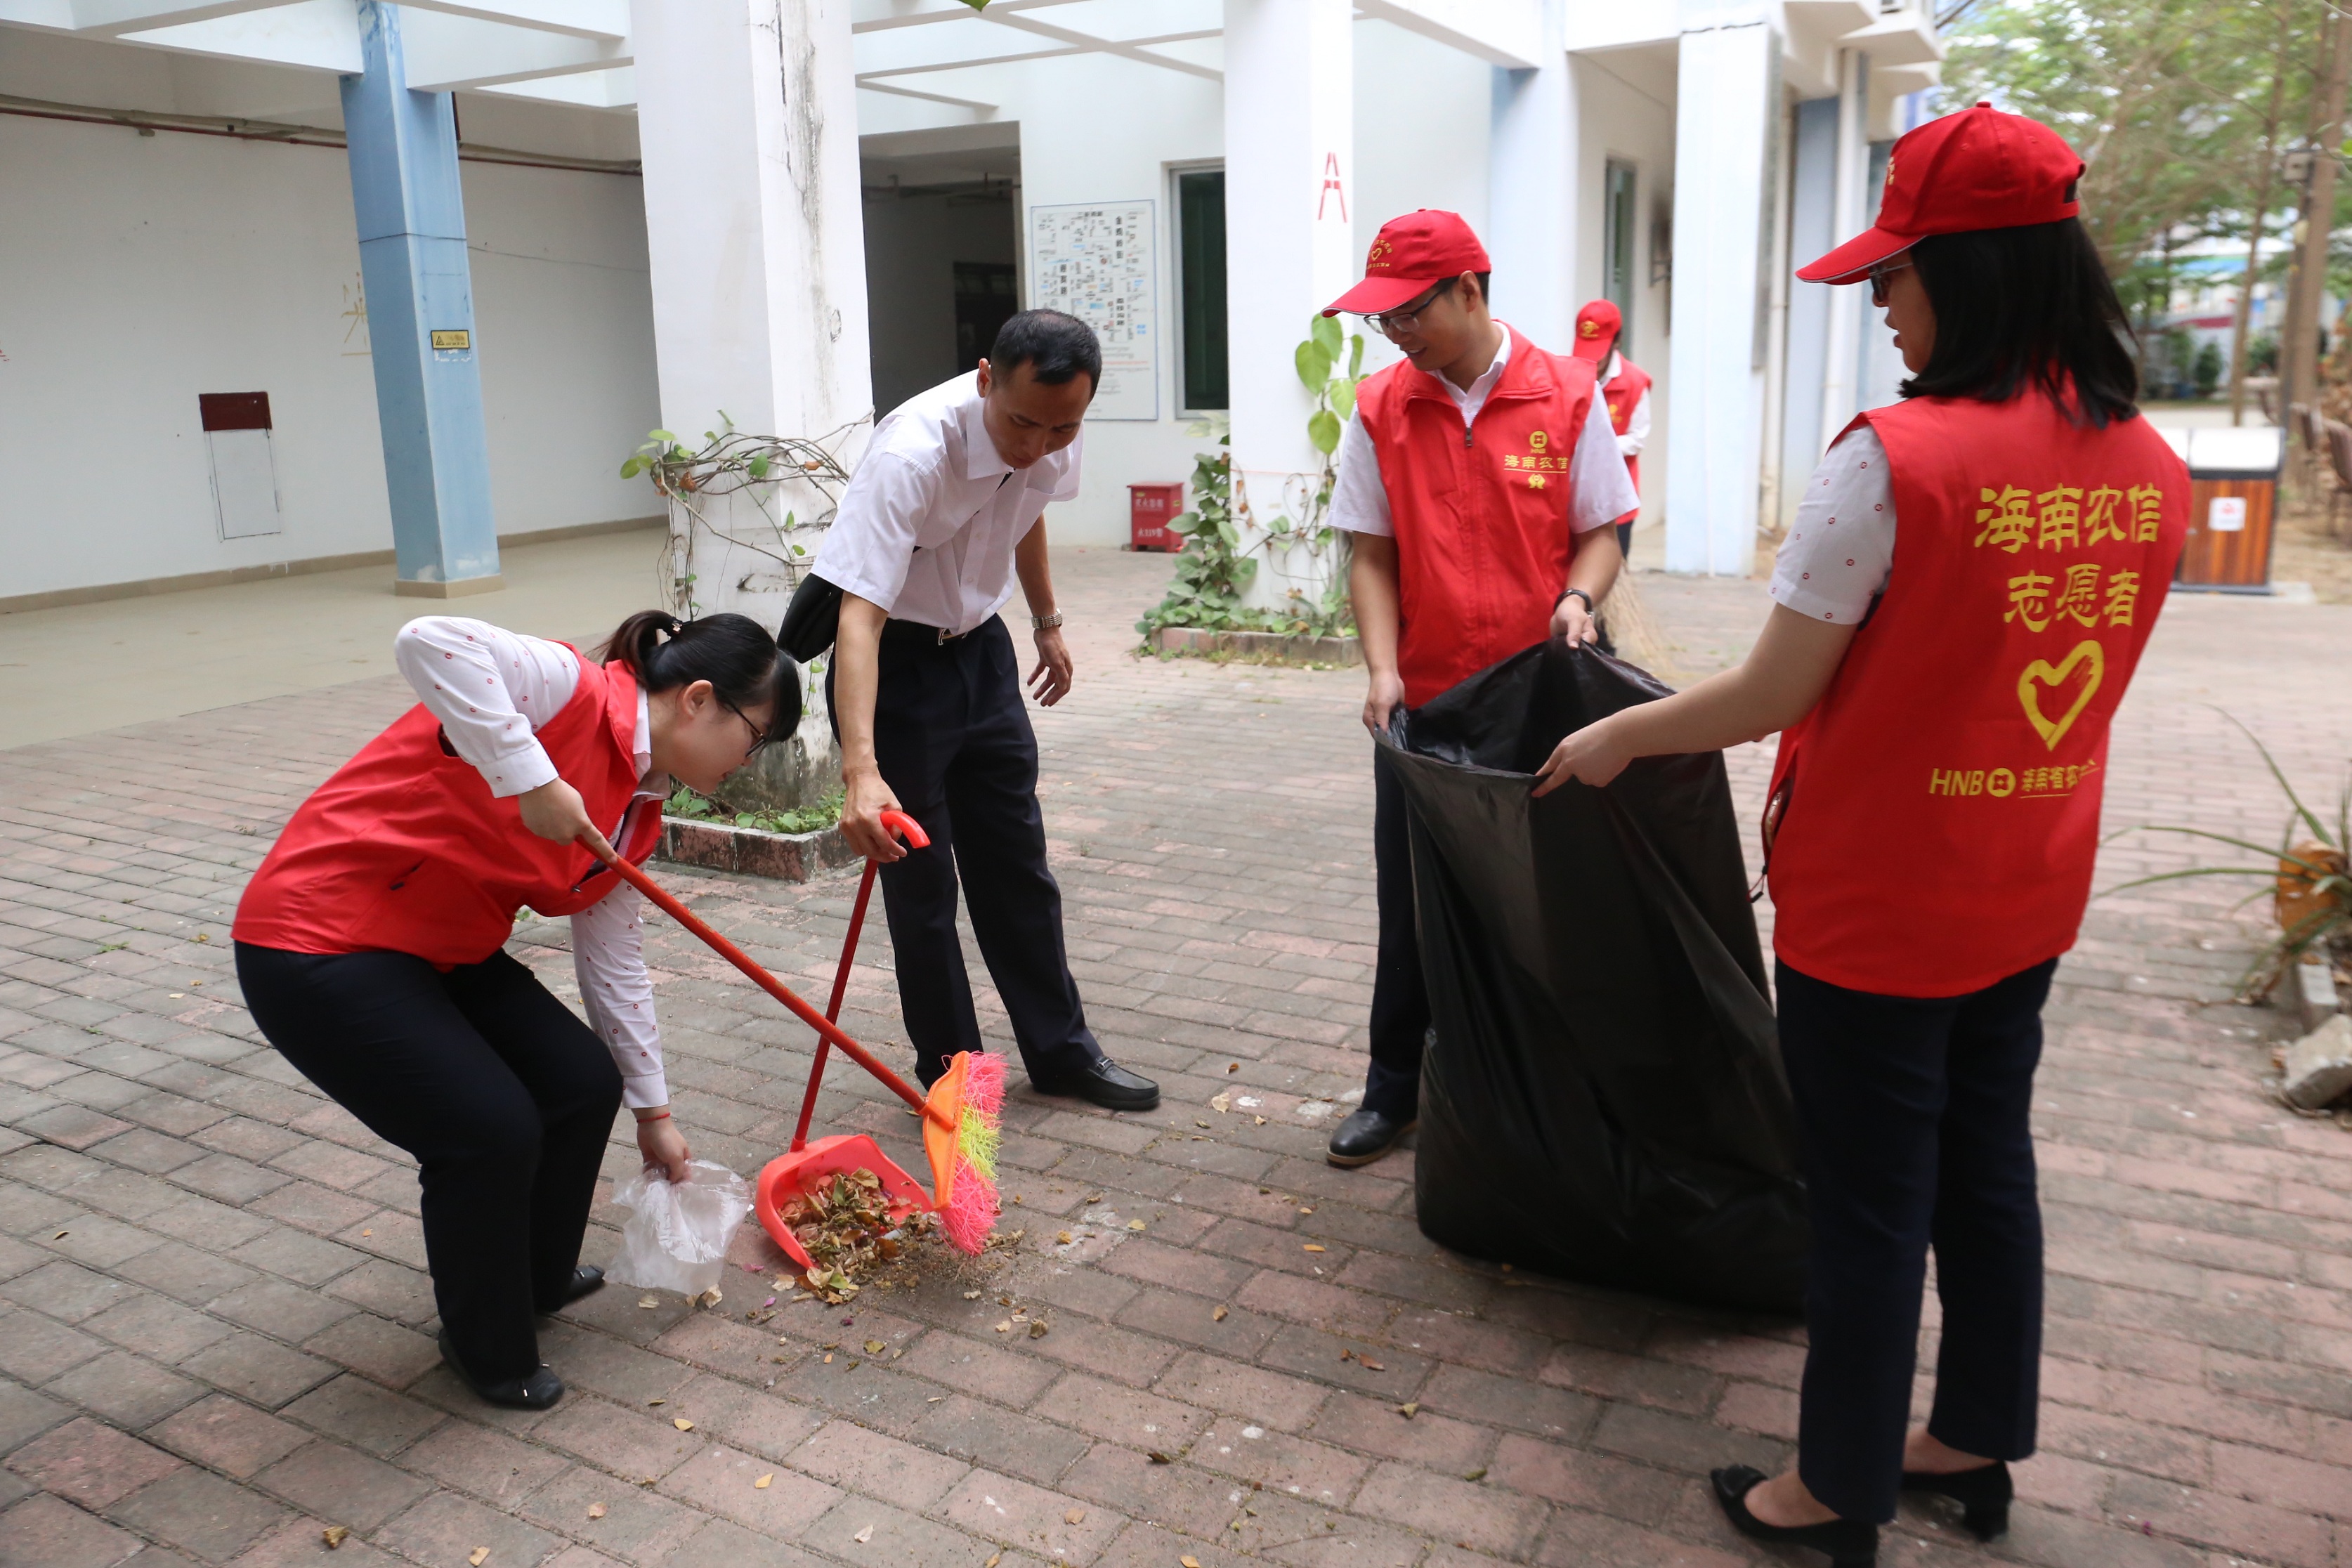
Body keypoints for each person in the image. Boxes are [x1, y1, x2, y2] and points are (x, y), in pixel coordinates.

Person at [1532, 105, 2187, 1566]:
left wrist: (1615, 735)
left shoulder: (1893, 460)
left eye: (1894, 275)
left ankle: (1832, 1492)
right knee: (1986, 1166)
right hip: (2026, 885)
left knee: (1871, 1201)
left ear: (1978, 272)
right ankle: (1972, 1440)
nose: (1880, 307)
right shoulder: (2149, 463)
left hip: (1880, 904)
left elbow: (1771, 692)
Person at [233, 610, 794, 1409]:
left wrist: (654, 1110)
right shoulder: (566, 689)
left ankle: (536, 1276)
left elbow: (614, 962)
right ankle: (485, 1347)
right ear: (699, 700)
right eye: (757, 733)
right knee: (488, 1132)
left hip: (441, 947)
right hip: (321, 939)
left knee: (580, 1081)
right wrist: (530, 776)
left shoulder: (638, 808)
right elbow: (429, 641)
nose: (752, 757)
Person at [1320, 209, 1637, 1168]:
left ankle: (1548, 1084)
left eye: (1409, 313)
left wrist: (1580, 597)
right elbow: (1370, 555)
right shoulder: (1382, 407)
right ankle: (1396, 1089)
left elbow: (1603, 527)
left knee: (1547, 895)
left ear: (1468, 289)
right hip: (1426, 694)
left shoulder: (1569, 394)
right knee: (1412, 895)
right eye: (1383, 321)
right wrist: (1383, 668)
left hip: (1543, 690)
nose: (1397, 335)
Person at [811, 309, 1159, 1111]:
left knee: (1018, 868)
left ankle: (1063, 1053)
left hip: (981, 653)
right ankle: (956, 1076)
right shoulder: (912, 453)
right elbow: (857, 617)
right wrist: (860, 771)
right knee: (923, 886)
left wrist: (1047, 621)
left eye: (1062, 427)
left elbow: (1026, 512)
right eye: (1023, 423)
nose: (1037, 445)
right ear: (984, 379)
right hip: (897, 665)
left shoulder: (1053, 427)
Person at [1570, 299, 1652, 561]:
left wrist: (1595, 446)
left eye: (1598, 353)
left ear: (1617, 341)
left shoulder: (1635, 382)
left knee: (1612, 567)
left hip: (1616, 498)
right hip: (1573, 496)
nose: (1592, 363)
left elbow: (1637, 439)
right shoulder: (1569, 374)